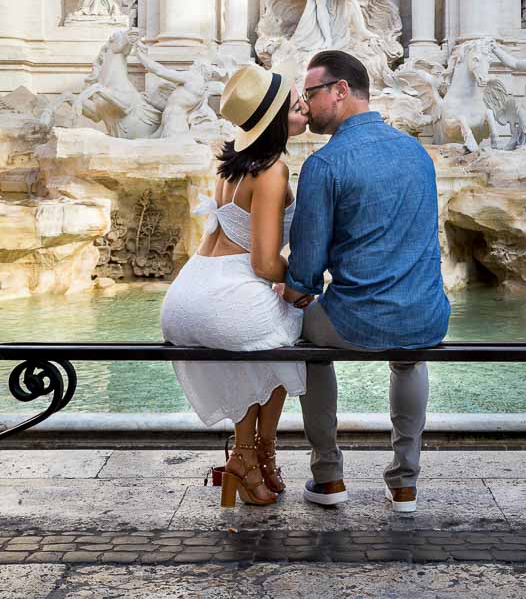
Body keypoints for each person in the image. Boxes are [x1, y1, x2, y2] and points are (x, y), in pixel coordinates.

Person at [284, 50, 451, 514]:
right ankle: (405, 484)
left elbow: (306, 271)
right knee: (409, 357)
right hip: (425, 314)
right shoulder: (417, 153)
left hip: (355, 320)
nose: (307, 104)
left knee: (306, 341)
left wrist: (293, 292)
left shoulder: (325, 164)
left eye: (311, 93)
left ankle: (328, 475)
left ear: (340, 91)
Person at [161, 62, 309, 508]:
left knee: (260, 342)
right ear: (278, 117)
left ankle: (252, 456)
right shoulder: (272, 170)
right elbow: (265, 263)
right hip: (223, 296)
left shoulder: (229, 165)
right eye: (296, 102)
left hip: (186, 294)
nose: (304, 106)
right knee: (291, 328)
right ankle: (254, 453)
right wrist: (302, 283)